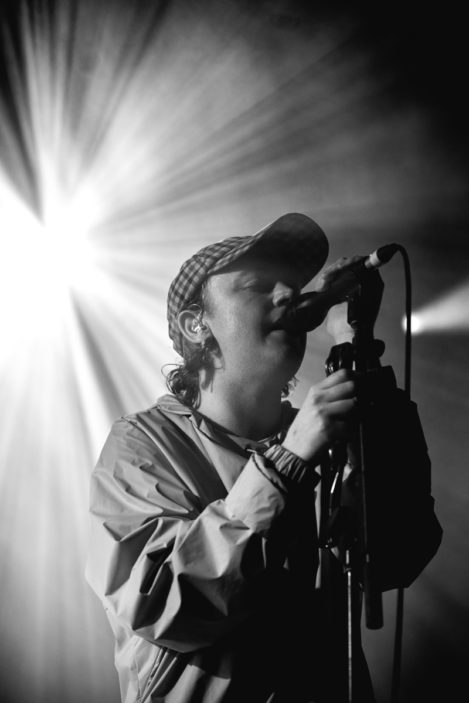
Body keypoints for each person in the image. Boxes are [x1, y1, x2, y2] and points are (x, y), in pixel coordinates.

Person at [85, 212, 442, 703]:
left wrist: (354, 345)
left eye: (292, 283)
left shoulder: (322, 433)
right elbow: (161, 603)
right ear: (196, 324)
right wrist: (288, 463)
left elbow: (397, 557)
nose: (288, 294)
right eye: (259, 284)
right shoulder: (142, 443)